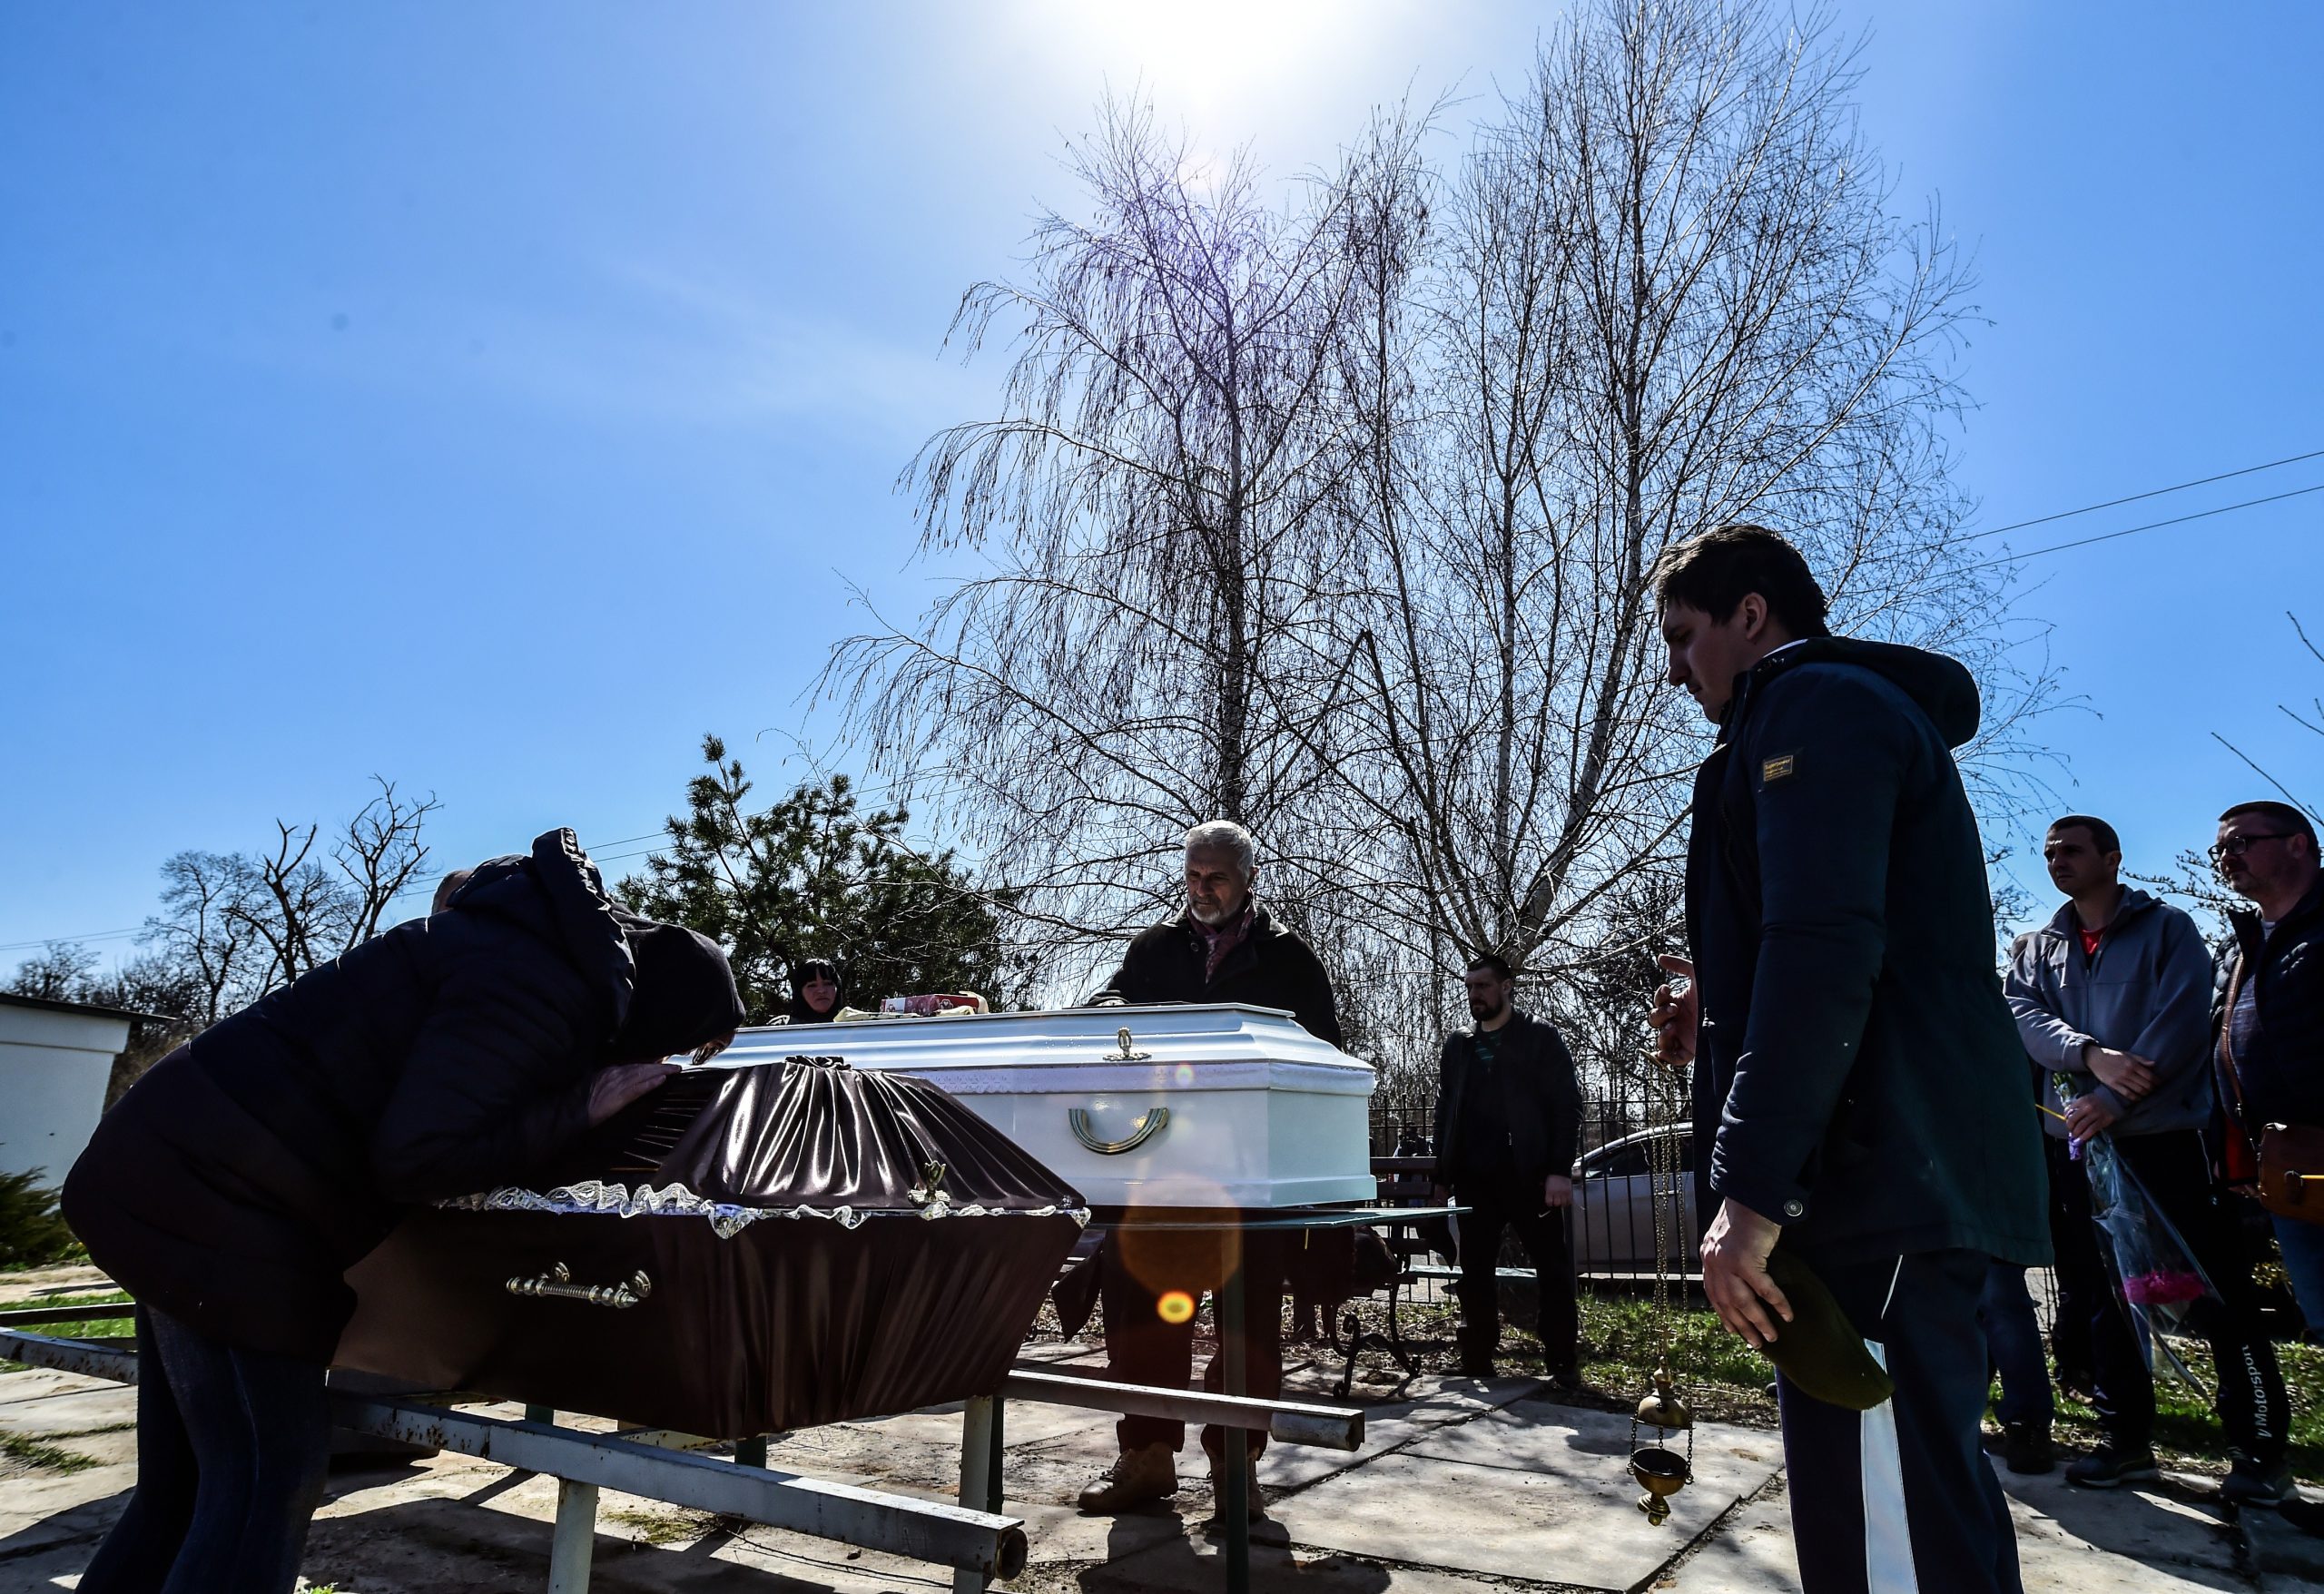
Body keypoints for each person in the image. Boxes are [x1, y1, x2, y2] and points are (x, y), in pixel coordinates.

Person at [62, 829, 744, 1594]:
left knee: (187, 1484)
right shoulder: (538, 987)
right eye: (675, 1048)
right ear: (658, 1010)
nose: (660, 1065)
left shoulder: (514, 948)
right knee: (267, 1480)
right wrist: (578, 1109)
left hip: (175, 1164)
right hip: (227, 1199)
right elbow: (419, 1155)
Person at [1645, 525, 2046, 1594]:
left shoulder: (1815, 708)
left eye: (1682, 635)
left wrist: (1751, 1192)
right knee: (1916, 1502)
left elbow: (1823, 950)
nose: (1673, 668)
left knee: (1886, 1529)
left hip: (1874, 1184)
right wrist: (1719, 1000)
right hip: (1883, 1179)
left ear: (1750, 614)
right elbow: (1838, 933)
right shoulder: (1809, 717)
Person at [2007, 812, 2290, 1500]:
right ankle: (2125, 1441)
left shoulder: (2168, 929)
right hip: (2079, 1149)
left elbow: (2184, 1022)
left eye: (2072, 850)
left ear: (2112, 858)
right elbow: (2024, 1015)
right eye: (2050, 852)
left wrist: (2115, 1100)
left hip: (2164, 1143)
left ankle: (2258, 1452)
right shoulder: (2037, 946)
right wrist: (2089, 1056)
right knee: (2105, 1296)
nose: (2058, 861)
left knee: (2213, 1290)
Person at [1076, 820, 1342, 1530]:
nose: (1202, 890)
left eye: (1216, 877)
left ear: (1249, 879)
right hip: (1156, 1168)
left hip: (1250, 1175)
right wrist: (1106, 1012)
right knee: (1141, 1314)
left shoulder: (1289, 959)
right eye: (1193, 876)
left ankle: (1235, 1468)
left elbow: (1324, 1058)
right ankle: (1147, 1455)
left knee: (1246, 1325)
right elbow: (1112, 1005)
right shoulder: (1154, 949)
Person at [1430, 954, 1583, 1384]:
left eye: (1482, 985)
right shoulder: (1459, 1045)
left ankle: (1562, 1361)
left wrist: (1558, 1170)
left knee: (1552, 1269)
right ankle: (1477, 1356)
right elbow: (1445, 1113)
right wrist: (1441, 1177)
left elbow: (1567, 1106)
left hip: (1530, 1175)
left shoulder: (1539, 1037)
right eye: (1469, 986)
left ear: (1506, 986)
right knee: (1474, 1271)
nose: (1474, 994)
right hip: (1475, 1178)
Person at [2211, 802, 2324, 1329]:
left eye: (2241, 843)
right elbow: (2225, 1052)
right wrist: (2232, 1151)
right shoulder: (2237, 948)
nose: (2226, 858)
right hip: (2288, 1167)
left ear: (2298, 844)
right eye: (2220, 849)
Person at [781, 956, 844, 1024]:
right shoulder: (781, 1026)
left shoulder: (850, 1024)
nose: (822, 991)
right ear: (800, 992)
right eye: (812, 985)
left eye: (828, 984)